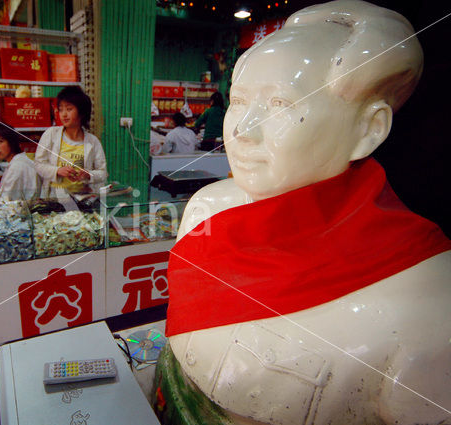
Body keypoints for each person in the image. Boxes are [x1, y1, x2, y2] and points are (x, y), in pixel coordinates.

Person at [161, 2, 451, 425]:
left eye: (280, 104)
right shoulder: (206, 209)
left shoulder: (428, 305)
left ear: (368, 130)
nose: (242, 130)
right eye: (240, 101)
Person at [34, 86, 107, 198]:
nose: (63, 114)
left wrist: (88, 175)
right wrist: (57, 170)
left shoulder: (93, 141)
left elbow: (103, 173)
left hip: (82, 198)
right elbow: (38, 164)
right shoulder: (51, 134)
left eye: (69, 109)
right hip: (55, 197)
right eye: (61, 109)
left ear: (81, 112)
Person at [0, 122, 39, 201]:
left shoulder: (17, 166)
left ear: (12, 142)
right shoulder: (18, 161)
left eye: (0, 141)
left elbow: (7, 200)